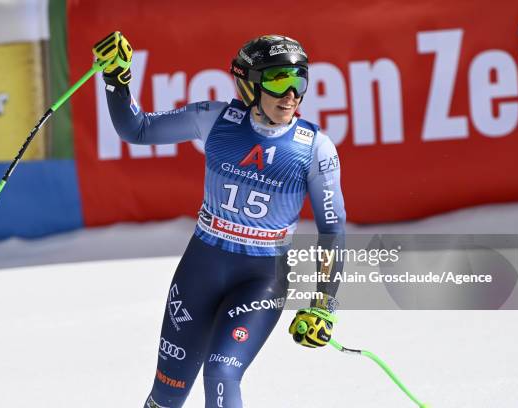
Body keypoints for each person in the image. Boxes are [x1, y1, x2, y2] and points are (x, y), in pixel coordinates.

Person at [93, 32, 346, 408]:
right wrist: (117, 79)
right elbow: (137, 129)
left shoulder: (315, 148)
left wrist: (323, 305)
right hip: (200, 270)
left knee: (222, 374)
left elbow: (332, 231)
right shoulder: (214, 119)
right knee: (167, 393)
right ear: (250, 84)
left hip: (262, 279)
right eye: (279, 80)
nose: (291, 94)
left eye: (299, 80)